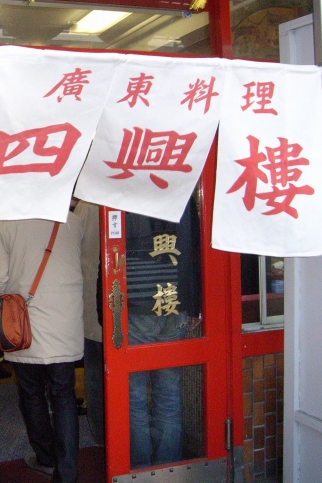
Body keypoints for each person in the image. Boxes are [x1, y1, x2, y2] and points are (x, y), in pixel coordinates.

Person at [0, 211, 85, 483]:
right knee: (64, 395)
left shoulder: (6, 222)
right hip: (65, 322)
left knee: (31, 393)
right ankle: (68, 473)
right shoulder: (73, 221)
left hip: (24, 323)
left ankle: (46, 458)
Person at [125, 199, 201, 469]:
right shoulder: (183, 187)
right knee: (168, 393)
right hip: (174, 302)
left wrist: (106, 312)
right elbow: (195, 248)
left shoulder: (127, 186)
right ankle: (167, 467)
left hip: (136, 304)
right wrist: (194, 304)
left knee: (133, 396)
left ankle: (139, 468)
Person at [73, 199, 104, 446]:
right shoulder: (129, 196)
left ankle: (101, 432)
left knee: (94, 372)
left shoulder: (86, 207)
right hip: (129, 305)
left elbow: (73, 250)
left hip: (92, 304)